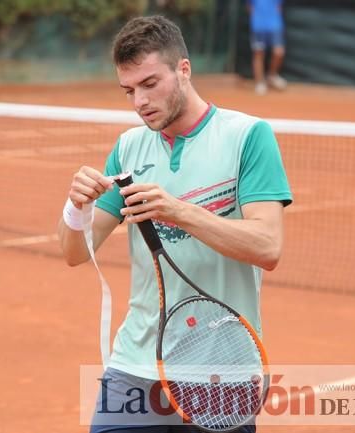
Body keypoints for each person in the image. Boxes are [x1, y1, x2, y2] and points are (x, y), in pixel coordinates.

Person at [58, 15, 292, 433]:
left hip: (223, 368)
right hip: (136, 362)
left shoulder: (248, 136)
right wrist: (76, 208)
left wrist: (179, 210)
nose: (139, 102)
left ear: (183, 70)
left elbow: (268, 246)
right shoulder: (129, 146)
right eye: (129, 90)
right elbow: (75, 252)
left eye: (150, 84)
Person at [247, 0, 287, 95]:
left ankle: (272, 76)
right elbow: (250, 8)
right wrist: (257, 19)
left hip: (275, 26)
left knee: (279, 52)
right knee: (258, 53)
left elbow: (279, 7)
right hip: (258, 27)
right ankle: (260, 82)